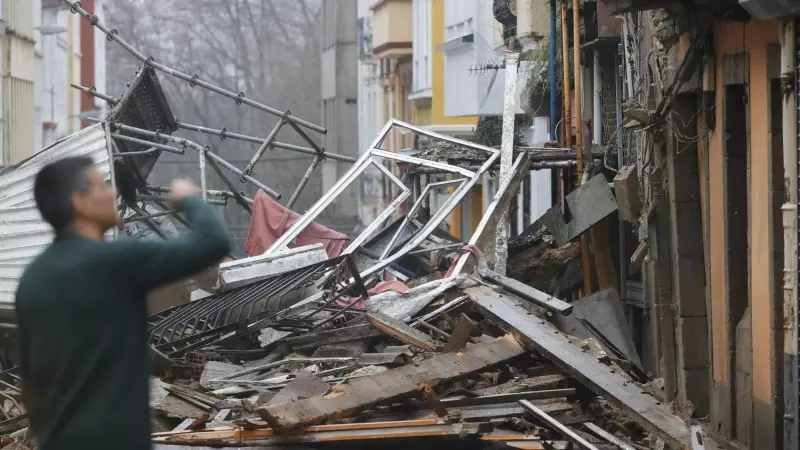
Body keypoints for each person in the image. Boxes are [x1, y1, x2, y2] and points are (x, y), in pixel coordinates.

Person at [15, 156, 231, 450]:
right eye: (102, 186)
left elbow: (30, 382)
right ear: (80, 202)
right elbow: (212, 243)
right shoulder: (114, 261)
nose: (114, 192)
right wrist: (189, 201)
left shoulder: (32, 280)